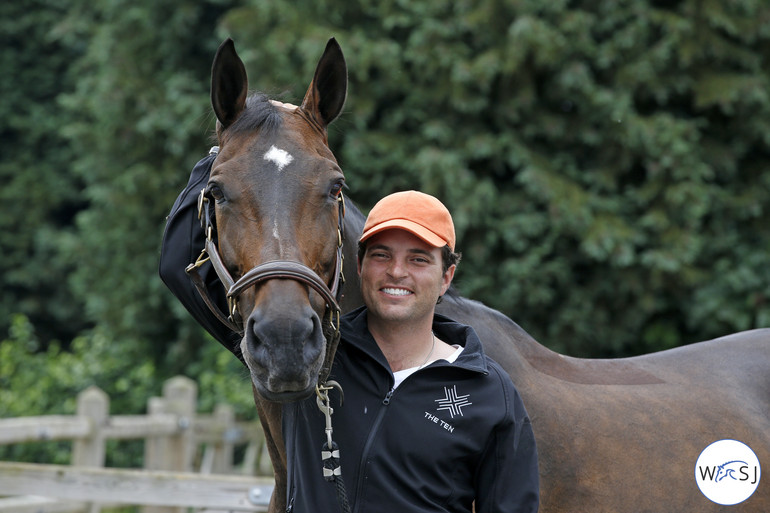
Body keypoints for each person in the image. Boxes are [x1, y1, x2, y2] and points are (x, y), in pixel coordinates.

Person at [160, 155, 540, 512]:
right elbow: (180, 262)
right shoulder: (309, 354)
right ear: (359, 265)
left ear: (446, 277)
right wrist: (227, 151)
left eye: (418, 259)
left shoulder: (490, 393)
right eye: (381, 255)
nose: (396, 272)